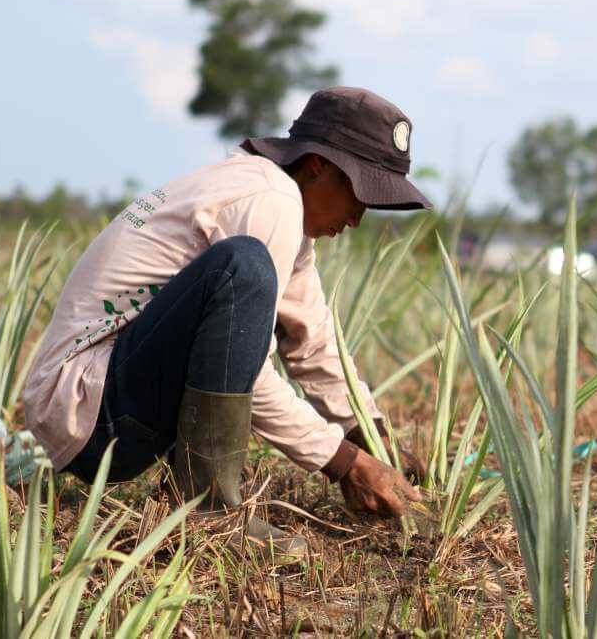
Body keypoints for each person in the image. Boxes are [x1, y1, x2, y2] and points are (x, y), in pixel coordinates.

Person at [21, 87, 429, 561]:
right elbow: (250, 371)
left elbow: (312, 340)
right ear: (317, 166)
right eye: (359, 193)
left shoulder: (274, 199)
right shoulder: (269, 199)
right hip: (88, 409)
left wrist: (371, 436)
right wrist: (344, 463)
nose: (359, 218)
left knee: (246, 267)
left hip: (98, 399)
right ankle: (205, 510)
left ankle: (194, 496)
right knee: (244, 265)